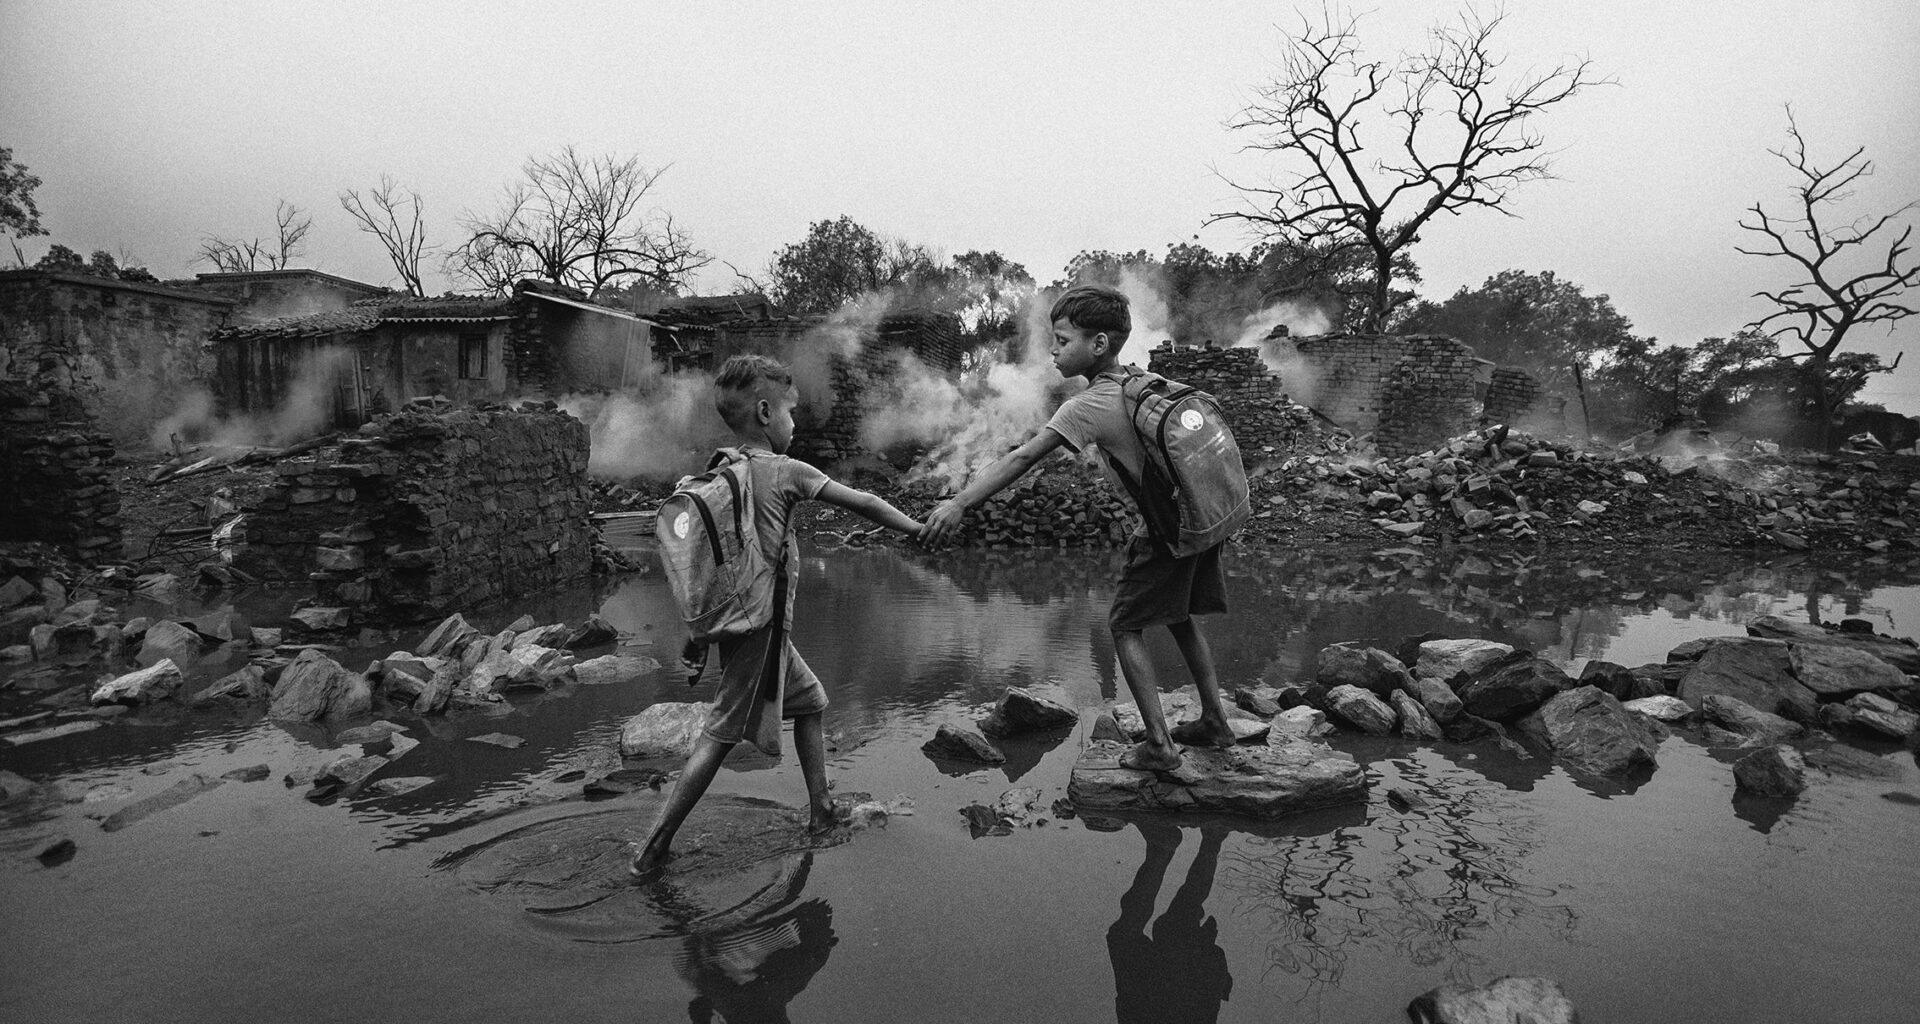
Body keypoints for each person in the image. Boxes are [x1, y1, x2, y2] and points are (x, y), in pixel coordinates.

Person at [633, 353, 924, 879]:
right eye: (791, 411)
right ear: (766, 412)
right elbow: (863, 501)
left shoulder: (723, 469)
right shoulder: (783, 471)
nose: (797, 422)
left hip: (755, 624)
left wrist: (699, 635)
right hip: (760, 629)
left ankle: (821, 809)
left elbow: (712, 563)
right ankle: (654, 844)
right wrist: (918, 529)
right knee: (720, 733)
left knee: (810, 701)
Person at [924, 284, 1237, 772]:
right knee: (1179, 617)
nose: (1052, 349)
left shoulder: (1089, 405)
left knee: (1124, 625)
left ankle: (1159, 746)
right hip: (1197, 520)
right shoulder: (1142, 381)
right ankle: (1215, 721)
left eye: (1062, 340)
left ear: (1099, 345)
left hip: (1163, 532)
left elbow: (1025, 456)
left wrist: (961, 503)